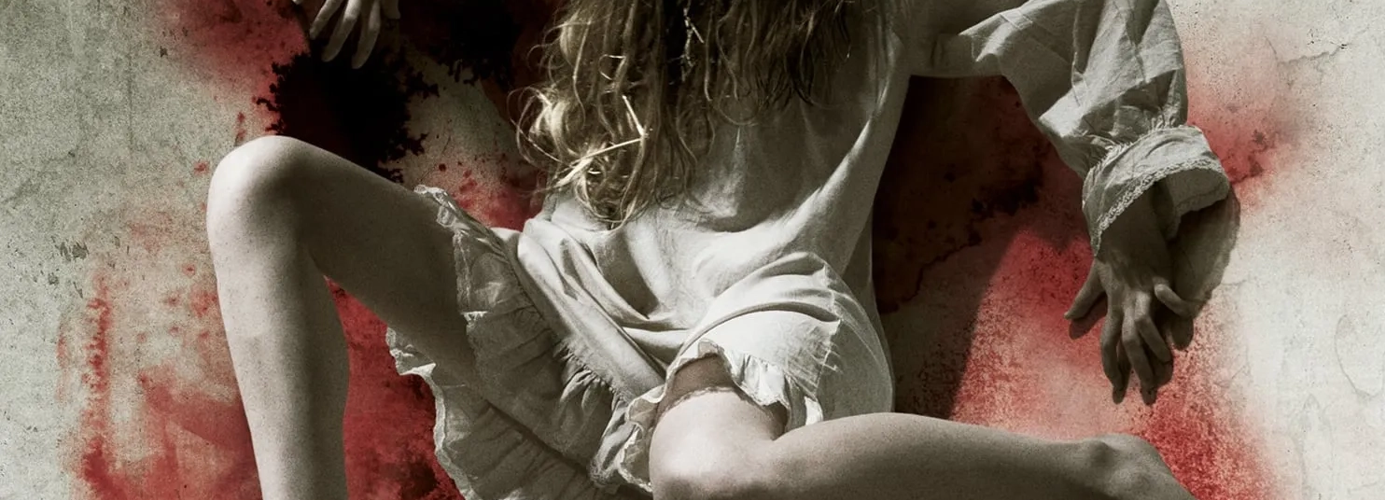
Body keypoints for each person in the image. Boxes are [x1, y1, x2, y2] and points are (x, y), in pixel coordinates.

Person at [206, 0, 1231, 498]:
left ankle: (1099, 476)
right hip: (564, 295)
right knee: (261, 185)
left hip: (758, 300)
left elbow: (1081, 11)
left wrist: (1127, 202)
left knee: (713, 478)